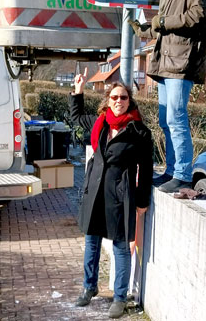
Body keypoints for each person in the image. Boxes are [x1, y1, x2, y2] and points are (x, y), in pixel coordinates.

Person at [129, 0, 206, 193]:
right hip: (164, 61)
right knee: (166, 121)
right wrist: (148, 27)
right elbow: (163, 24)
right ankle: (170, 171)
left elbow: (197, 16)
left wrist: (161, 21)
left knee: (177, 119)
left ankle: (183, 174)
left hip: (182, 61)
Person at [69, 68, 153, 319]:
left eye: (124, 97)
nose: (119, 101)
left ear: (130, 101)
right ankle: (89, 286)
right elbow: (75, 117)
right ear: (108, 101)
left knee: (120, 246)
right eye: (115, 97)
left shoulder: (139, 132)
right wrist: (78, 90)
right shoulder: (100, 123)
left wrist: (141, 201)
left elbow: (145, 169)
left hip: (120, 193)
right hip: (95, 190)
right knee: (91, 242)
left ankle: (119, 297)